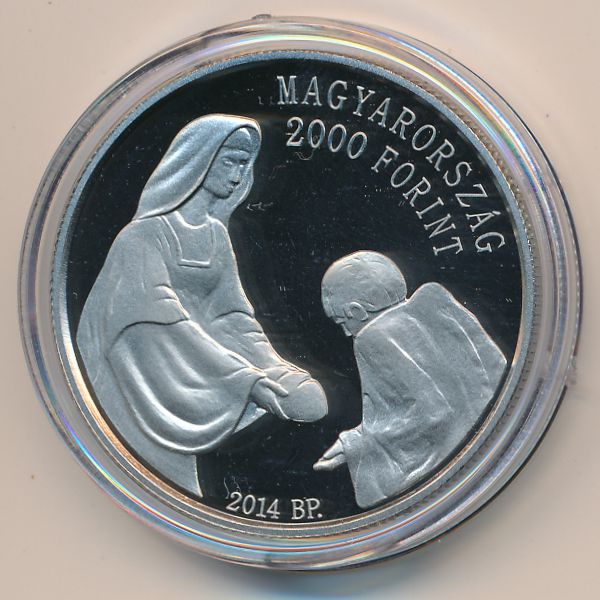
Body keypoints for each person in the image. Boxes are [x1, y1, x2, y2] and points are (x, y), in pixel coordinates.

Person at [77, 114, 327, 497]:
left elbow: (232, 316)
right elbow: (164, 326)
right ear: (199, 159)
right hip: (137, 390)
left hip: (197, 371)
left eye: (245, 164)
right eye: (230, 161)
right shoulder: (141, 238)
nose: (238, 174)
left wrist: (277, 370)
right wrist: (245, 381)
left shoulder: (216, 237)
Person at [314, 251, 506, 509]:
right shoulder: (435, 304)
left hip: (447, 467)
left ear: (356, 311)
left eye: (342, 321)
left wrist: (356, 444)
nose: (346, 332)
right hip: (497, 444)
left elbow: (434, 413)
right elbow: (497, 368)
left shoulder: (372, 338)